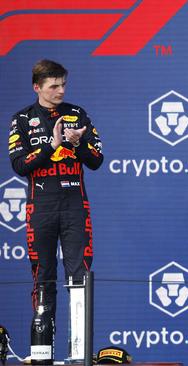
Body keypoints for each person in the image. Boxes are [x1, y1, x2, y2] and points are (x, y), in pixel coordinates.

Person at [8, 60, 103, 354]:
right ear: (38, 87)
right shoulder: (22, 119)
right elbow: (20, 165)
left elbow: (97, 159)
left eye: (63, 84)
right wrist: (51, 145)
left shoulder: (77, 114)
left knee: (79, 275)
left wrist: (76, 144)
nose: (61, 90)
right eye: (54, 86)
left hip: (75, 205)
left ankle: (79, 352)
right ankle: (41, 352)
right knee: (44, 275)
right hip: (41, 207)